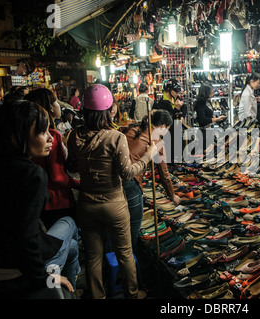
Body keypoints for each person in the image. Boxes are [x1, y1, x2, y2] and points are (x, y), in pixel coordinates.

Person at [0, 99, 80, 298]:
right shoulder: (29, 174)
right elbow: (27, 238)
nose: (50, 137)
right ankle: (67, 287)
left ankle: (72, 285)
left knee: (74, 247)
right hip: (14, 272)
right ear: (20, 134)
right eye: (42, 132)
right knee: (69, 223)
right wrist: (46, 278)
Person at [66, 84, 158, 299]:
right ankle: (132, 294)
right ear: (108, 110)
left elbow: (71, 167)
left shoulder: (73, 135)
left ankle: (98, 296)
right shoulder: (115, 137)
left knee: (93, 256)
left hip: (87, 204)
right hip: (114, 204)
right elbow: (127, 174)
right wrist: (147, 156)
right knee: (124, 253)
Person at [120, 109, 179, 252]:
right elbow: (164, 174)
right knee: (134, 224)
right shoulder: (156, 141)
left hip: (115, 178)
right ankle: (131, 256)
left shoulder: (132, 128)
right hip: (131, 180)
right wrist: (172, 195)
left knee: (119, 223)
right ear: (163, 126)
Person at [25, 88, 80, 229]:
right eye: (56, 102)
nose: (59, 106)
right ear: (50, 107)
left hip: (41, 200)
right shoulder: (52, 136)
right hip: (58, 200)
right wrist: (79, 184)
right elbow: (57, 176)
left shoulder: (30, 136)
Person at [153, 79, 187, 163]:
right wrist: (176, 109)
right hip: (168, 133)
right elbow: (167, 118)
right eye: (175, 91)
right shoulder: (161, 103)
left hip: (177, 129)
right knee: (170, 156)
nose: (177, 93)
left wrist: (182, 116)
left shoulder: (176, 98)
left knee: (178, 155)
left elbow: (184, 107)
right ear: (169, 90)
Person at [193, 83, 226, 154]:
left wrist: (216, 118)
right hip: (204, 133)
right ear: (206, 93)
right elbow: (203, 120)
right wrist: (216, 119)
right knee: (206, 153)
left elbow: (209, 114)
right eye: (211, 93)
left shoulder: (207, 102)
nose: (212, 95)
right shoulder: (200, 104)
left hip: (209, 131)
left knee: (210, 152)